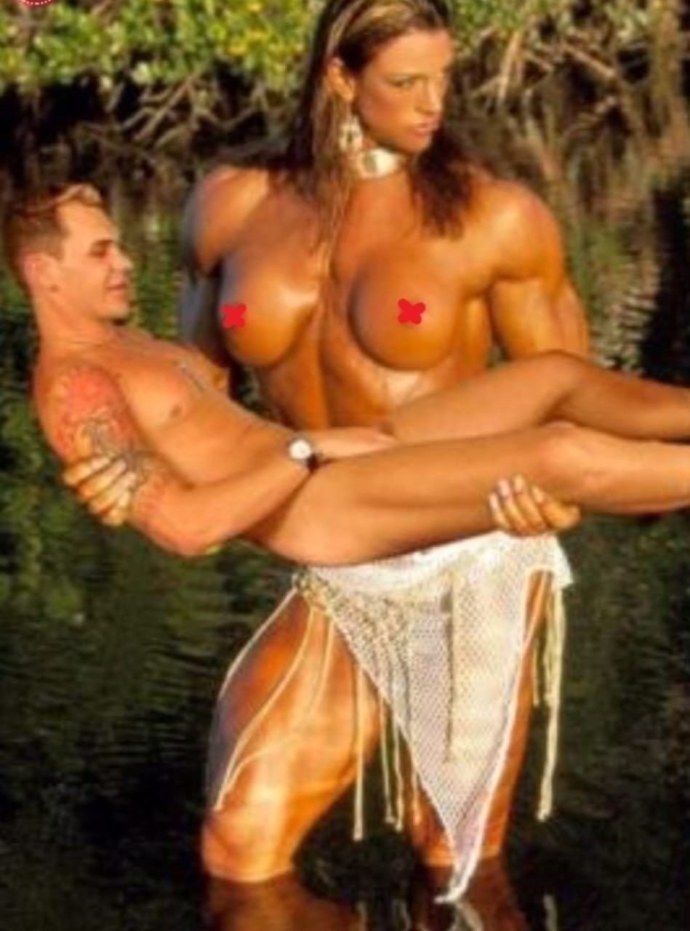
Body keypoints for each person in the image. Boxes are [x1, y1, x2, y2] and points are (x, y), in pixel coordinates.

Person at [8, 182, 690, 902]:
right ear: (43, 273)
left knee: (552, 379)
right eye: (100, 251)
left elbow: (206, 419)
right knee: (555, 454)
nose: (123, 262)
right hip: (317, 506)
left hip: (334, 463)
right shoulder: (75, 386)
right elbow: (188, 526)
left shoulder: (127, 342)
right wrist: (305, 450)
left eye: (117, 245)